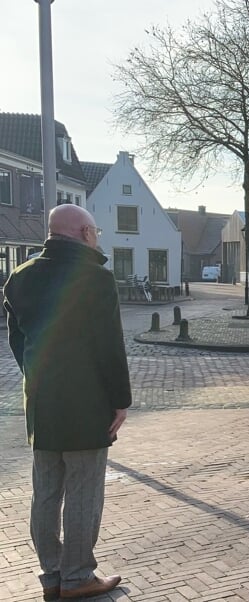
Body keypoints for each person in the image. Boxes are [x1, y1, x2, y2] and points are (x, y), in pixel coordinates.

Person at [4, 204, 131, 600]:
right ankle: (77, 577)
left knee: (45, 491)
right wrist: (120, 401)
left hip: (41, 404)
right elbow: (109, 347)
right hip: (86, 403)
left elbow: (18, 341)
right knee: (83, 491)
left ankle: (51, 575)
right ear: (84, 232)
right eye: (95, 231)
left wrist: (37, 379)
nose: (97, 237)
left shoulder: (19, 277)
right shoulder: (95, 278)